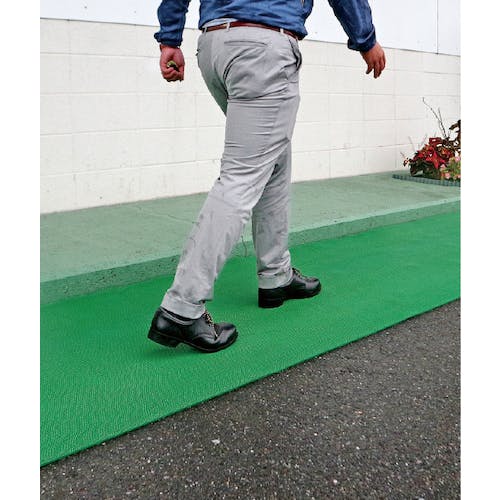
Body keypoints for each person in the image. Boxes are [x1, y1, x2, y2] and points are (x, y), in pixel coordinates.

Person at [148, 0, 386, 353]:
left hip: (214, 47)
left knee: (272, 160)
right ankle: (181, 308)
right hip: (263, 47)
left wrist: (170, 38)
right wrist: (366, 40)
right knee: (242, 175)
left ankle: (276, 275)